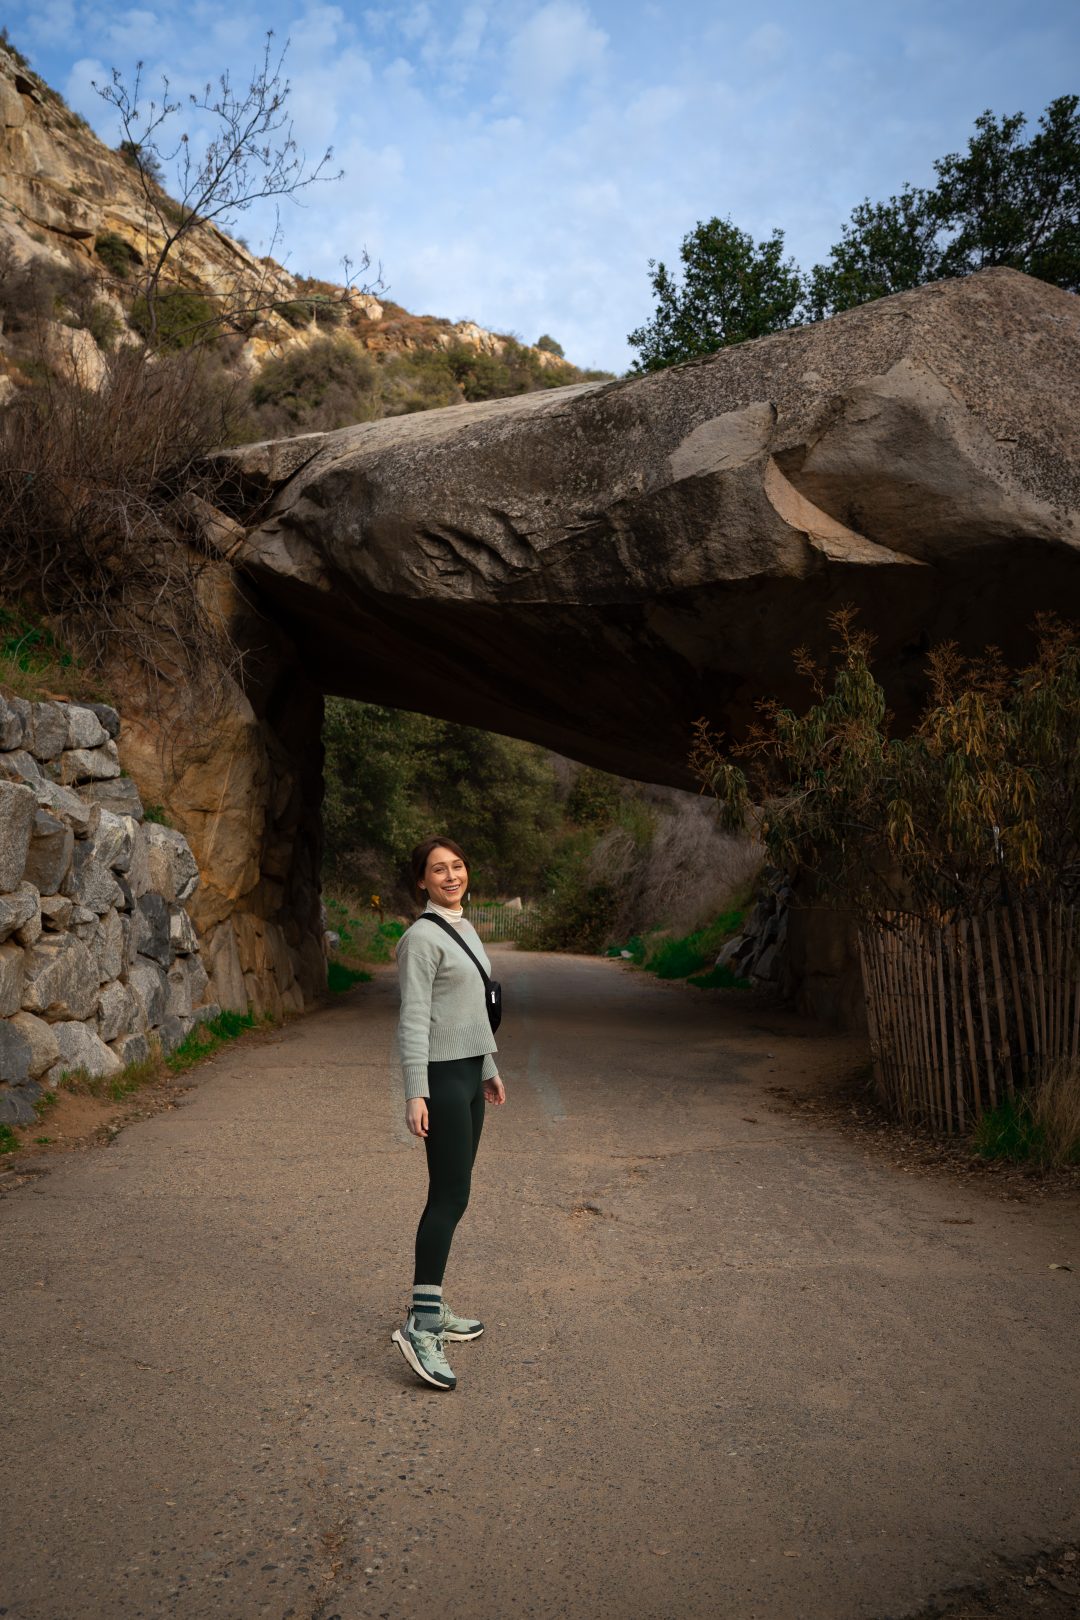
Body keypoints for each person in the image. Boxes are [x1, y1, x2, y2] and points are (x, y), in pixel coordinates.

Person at [391, 836, 507, 1390]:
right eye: (438, 869)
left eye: (457, 865)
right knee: (447, 1196)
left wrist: (487, 1066)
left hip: (466, 1074)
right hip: (439, 1076)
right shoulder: (420, 939)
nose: (451, 875)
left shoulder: (464, 926)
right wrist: (416, 1092)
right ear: (422, 881)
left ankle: (433, 1306)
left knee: (457, 1192)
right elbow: (414, 1019)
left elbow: (472, 1005)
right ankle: (421, 1325)